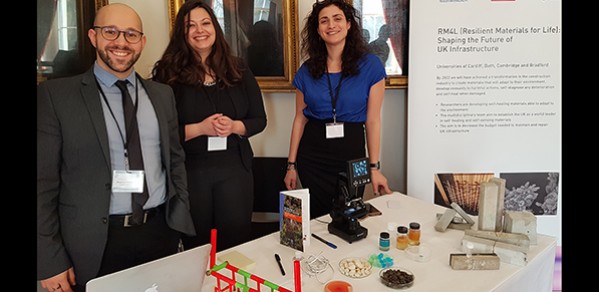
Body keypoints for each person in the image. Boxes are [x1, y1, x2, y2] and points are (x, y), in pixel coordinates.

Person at [37, 3, 195, 292]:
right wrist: (48, 259)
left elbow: (175, 161)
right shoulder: (56, 97)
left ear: (142, 42)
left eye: (131, 34)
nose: (121, 42)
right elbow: (42, 184)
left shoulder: (162, 95)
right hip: (92, 243)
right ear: (93, 36)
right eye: (111, 32)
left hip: (158, 234)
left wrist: (177, 223)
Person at [152, 0, 267, 252]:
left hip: (235, 169)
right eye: (190, 25)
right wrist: (201, 129)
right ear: (182, 33)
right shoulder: (167, 73)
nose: (199, 30)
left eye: (205, 23)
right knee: (198, 247)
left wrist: (235, 126)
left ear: (215, 27)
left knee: (235, 244)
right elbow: (158, 132)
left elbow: (260, 120)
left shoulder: (239, 69)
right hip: (191, 173)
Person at [284, 0, 392, 219]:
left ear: (349, 24)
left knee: (351, 214)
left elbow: (373, 121)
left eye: (337, 19)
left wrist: (374, 167)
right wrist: (291, 165)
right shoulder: (307, 70)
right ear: (318, 29)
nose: (331, 25)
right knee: (318, 220)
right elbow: (299, 119)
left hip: (353, 153)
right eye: (324, 21)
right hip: (313, 156)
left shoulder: (371, 66)